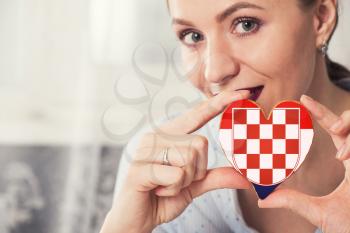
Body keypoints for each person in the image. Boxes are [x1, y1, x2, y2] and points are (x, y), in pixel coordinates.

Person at [100, 0, 350, 232]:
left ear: (321, 18)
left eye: (246, 24)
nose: (214, 72)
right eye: (193, 36)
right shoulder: (159, 162)